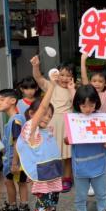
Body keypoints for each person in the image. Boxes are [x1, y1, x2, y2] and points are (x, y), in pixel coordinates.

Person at [16, 75, 65, 211]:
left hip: (54, 175)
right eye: (43, 114)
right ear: (32, 114)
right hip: (42, 180)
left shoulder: (47, 130)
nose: (46, 117)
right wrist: (52, 85)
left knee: (52, 205)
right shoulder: (30, 130)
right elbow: (43, 106)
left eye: (49, 115)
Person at [67, 84, 106, 211]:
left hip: (99, 162)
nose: (88, 109)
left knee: (101, 193)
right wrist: (68, 139)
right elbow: (67, 140)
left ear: (96, 103)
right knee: (80, 195)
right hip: (80, 164)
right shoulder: (73, 119)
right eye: (84, 105)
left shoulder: (101, 118)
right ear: (77, 104)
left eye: (91, 105)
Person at [32, 56, 76, 192]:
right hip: (51, 124)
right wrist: (35, 66)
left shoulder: (73, 89)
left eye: (68, 75)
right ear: (56, 74)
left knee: (67, 154)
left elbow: (77, 104)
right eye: (62, 74)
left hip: (67, 124)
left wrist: (72, 89)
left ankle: (67, 178)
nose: (64, 78)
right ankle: (54, 178)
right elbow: (38, 78)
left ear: (73, 77)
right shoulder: (51, 85)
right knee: (52, 152)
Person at [0, 89, 30, 211]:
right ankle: (13, 206)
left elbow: (17, 141)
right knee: (9, 181)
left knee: (21, 182)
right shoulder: (14, 119)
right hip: (12, 159)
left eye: (2, 100)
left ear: (13, 101)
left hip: (16, 160)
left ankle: (23, 207)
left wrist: (14, 162)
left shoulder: (16, 120)